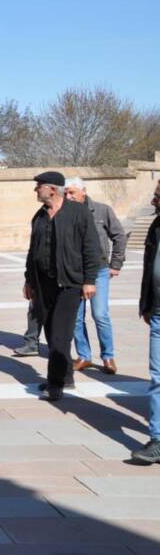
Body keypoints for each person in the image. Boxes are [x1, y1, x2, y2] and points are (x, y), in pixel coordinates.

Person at [24, 171, 101, 402]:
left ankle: (55, 385)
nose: (35, 190)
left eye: (39, 186)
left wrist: (89, 280)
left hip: (69, 283)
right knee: (51, 333)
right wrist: (29, 280)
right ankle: (66, 377)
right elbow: (32, 251)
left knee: (60, 335)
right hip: (43, 284)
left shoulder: (78, 212)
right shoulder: (39, 216)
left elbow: (91, 247)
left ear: (52, 189)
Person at [65, 177, 128, 374]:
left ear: (83, 191)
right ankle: (84, 356)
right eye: (65, 193)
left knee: (100, 314)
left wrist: (115, 264)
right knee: (76, 318)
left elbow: (119, 236)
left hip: (99, 270)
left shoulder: (102, 210)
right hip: (75, 273)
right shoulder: (64, 212)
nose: (68, 197)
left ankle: (108, 356)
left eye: (72, 192)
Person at [131, 180, 160, 464]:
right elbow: (149, 268)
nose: (153, 201)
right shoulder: (155, 226)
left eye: (158, 196)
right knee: (158, 378)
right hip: (159, 313)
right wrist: (146, 304)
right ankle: (158, 440)